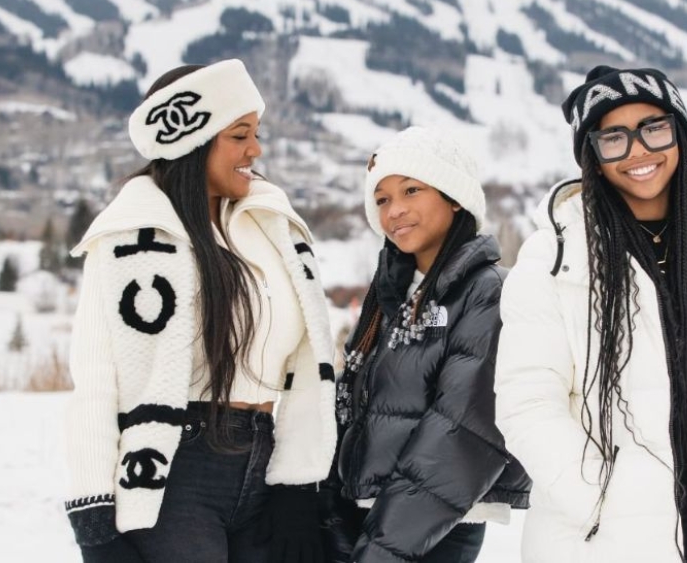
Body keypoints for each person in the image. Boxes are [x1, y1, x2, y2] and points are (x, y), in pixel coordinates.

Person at [495, 65, 687, 563]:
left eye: (654, 128)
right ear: (591, 153)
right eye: (614, 138)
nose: (639, 151)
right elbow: (527, 402)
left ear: (679, 134)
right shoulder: (556, 260)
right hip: (603, 538)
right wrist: (599, 499)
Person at [64, 59, 338, 563]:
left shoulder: (270, 226)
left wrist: (299, 485)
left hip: (265, 462)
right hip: (175, 476)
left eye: (256, 134)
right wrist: (94, 526)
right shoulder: (130, 239)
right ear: (193, 141)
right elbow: (96, 381)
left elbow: (308, 361)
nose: (255, 150)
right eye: (240, 135)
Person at [326, 126, 530, 563]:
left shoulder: (488, 291)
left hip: (437, 525)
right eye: (381, 200)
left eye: (411, 190)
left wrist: (383, 549)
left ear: (455, 197)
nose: (394, 211)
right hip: (375, 517)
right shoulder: (391, 297)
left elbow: (464, 430)